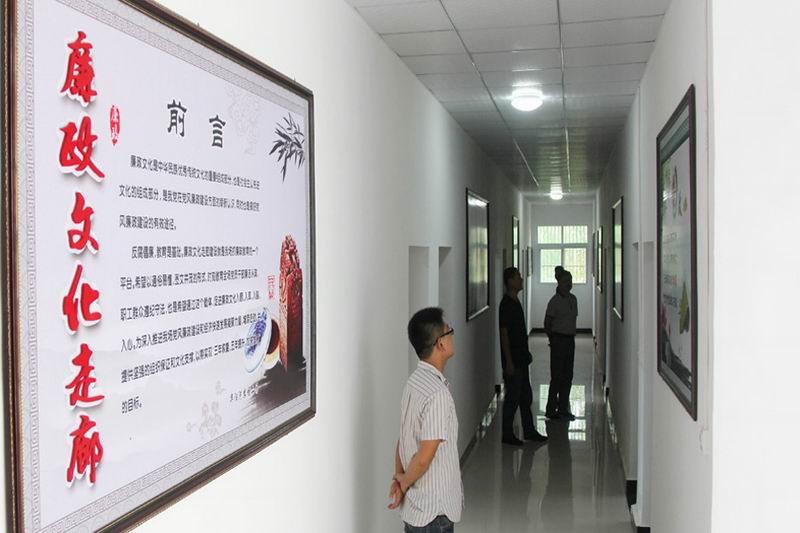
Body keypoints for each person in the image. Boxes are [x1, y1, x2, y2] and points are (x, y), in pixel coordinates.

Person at [389, 307, 463, 532]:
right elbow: (424, 457)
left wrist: (400, 479)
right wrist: (403, 482)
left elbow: (403, 439)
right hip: (434, 513)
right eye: (450, 331)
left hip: (416, 508)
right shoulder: (437, 394)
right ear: (440, 343)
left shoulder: (413, 383)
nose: (453, 335)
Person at [499, 267, 547, 445]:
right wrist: (509, 361)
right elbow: (504, 334)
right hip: (513, 360)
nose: (521, 279)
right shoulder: (506, 305)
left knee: (526, 396)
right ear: (510, 281)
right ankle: (507, 434)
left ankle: (529, 430)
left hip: (521, 358)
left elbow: (518, 333)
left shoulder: (515, 301)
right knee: (513, 397)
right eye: (518, 277)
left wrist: (526, 354)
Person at [544, 269, 578, 421]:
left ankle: (563, 409)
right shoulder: (554, 301)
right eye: (565, 282)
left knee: (568, 376)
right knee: (557, 376)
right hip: (558, 340)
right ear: (559, 283)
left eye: (570, 281)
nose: (568, 284)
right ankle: (551, 410)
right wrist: (552, 339)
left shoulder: (573, 299)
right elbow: (547, 323)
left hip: (570, 340)